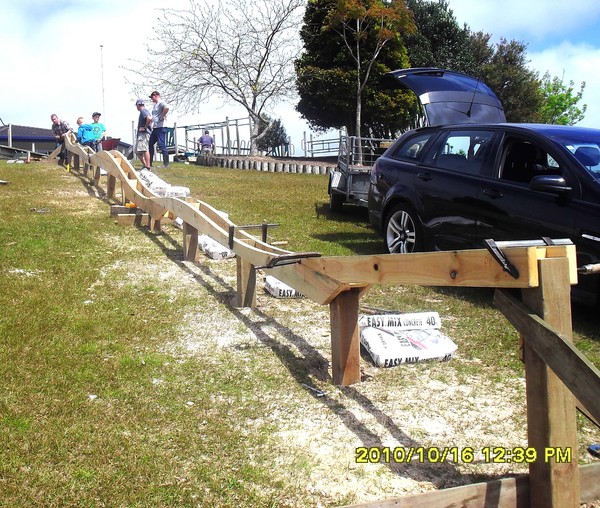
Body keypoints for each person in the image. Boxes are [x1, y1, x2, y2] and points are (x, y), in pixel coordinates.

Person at [148, 90, 170, 168]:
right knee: (150, 143)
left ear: (155, 96)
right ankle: (149, 163)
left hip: (161, 127)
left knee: (161, 144)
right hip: (155, 127)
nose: (151, 99)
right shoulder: (155, 105)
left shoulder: (161, 102)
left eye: (152, 97)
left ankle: (166, 164)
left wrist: (162, 115)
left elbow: (167, 108)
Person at [135, 98, 152, 170]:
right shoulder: (144, 111)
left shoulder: (143, 111)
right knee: (137, 151)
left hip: (144, 134)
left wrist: (145, 127)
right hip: (142, 134)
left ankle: (147, 166)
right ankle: (145, 165)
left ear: (138, 105)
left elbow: (149, 118)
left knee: (144, 149)